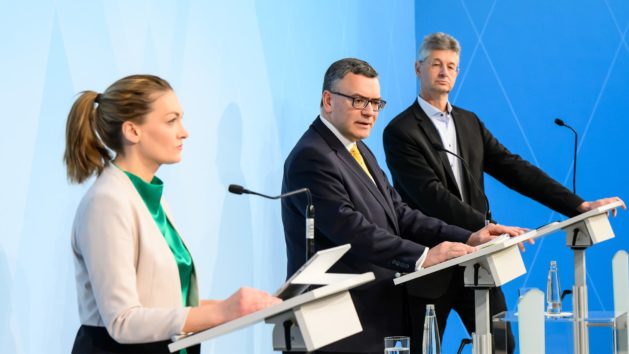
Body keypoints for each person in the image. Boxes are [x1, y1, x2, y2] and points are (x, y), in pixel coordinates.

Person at [383, 32, 626, 353]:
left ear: (458, 72)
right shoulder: (401, 130)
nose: (444, 72)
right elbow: (430, 195)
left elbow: (515, 169)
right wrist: (484, 228)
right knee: (420, 348)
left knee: (502, 347)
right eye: (435, 64)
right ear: (418, 68)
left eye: (451, 66)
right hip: (432, 263)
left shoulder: (469, 122)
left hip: (482, 261)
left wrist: (578, 206)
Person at [281, 58, 524, 354]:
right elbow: (352, 230)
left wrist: (470, 236)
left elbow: (401, 214)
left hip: (373, 317)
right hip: (340, 327)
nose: (370, 112)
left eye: (375, 102)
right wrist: (423, 256)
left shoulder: (358, 149)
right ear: (328, 100)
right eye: (359, 101)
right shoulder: (312, 156)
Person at [64, 74, 281, 354]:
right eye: (171, 120)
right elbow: (123, 321)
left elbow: (164, 303)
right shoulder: (106, 202)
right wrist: (222, 312)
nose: (184, 132)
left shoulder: (147, 195)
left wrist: (241, 306)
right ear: (132, 131)